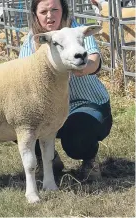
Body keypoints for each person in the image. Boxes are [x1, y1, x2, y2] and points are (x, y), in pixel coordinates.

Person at [18, 0, 113, 181]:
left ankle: (89, 159)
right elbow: (23, 73)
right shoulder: (32, 40)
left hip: (84, 103)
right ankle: (48, 160)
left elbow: (94, 58)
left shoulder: (76, 30)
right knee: (22, 122)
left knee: (77, 135)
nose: (49, 15)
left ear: (63, 11)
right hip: (50, 109)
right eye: (44, 11)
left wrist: (84, 68)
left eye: (55, 9)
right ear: (35, 14)